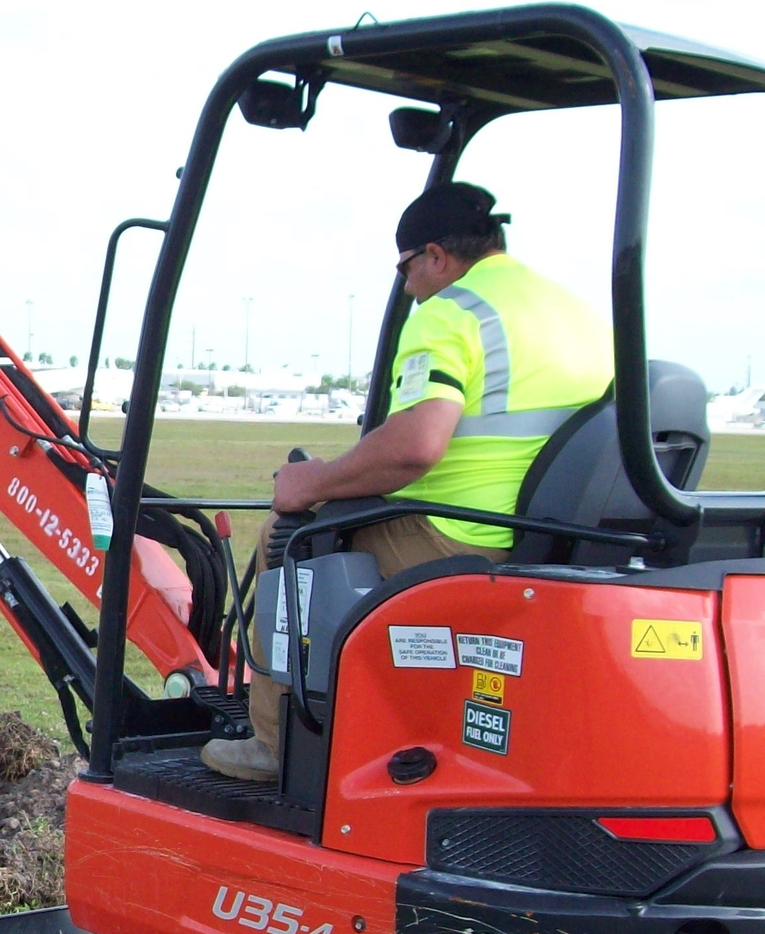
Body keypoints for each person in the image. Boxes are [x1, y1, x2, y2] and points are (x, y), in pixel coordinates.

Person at [202, 182, 613, 782]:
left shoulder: (453, 311)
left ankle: (273, 743)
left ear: (436, 256)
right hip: (553, 536)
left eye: (407, 269)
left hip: (460, 535)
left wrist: (313, 480)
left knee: (287, 540)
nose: (410, 287)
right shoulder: (579, 316)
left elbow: (416, 446)